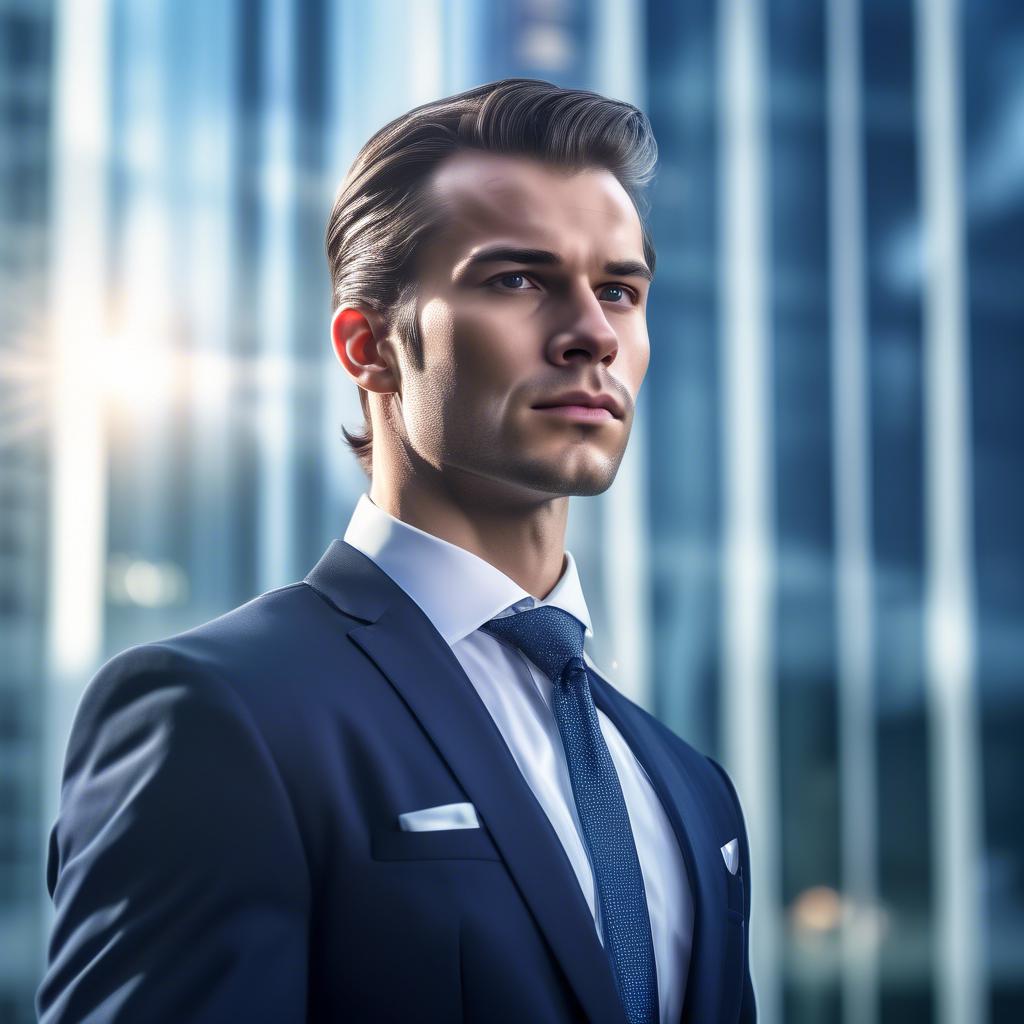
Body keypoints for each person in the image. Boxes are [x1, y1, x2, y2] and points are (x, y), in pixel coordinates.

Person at [38, 79, 755, 1024]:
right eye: (519, 280)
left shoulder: (691, 788)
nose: (591, 334)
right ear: (369, 344)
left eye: (618, 290)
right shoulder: (222, 713)